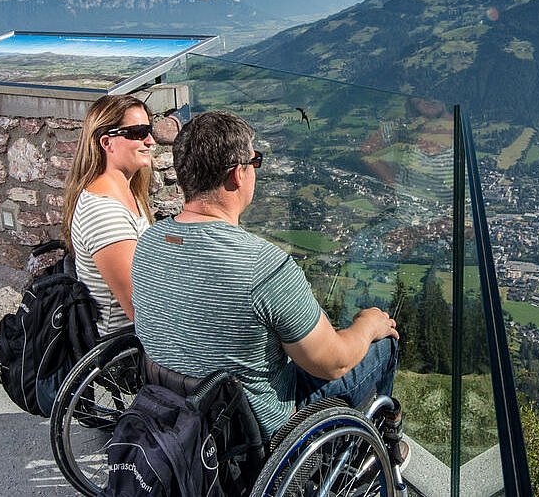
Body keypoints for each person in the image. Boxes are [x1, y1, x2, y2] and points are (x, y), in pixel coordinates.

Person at [130, 111, 400, 438]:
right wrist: (368, 325)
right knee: (383, 346)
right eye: (254, 161)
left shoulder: (149, 242)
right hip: (258, 437)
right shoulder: (263, 266)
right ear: (237, 175)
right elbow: (334, 363)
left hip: (181, 418)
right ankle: (374, 444)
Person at [62, 94, 157, 336]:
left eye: (149, 130)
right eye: (138, 132)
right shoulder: (104, 213)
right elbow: (140, 309)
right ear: (107, 142)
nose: (150, 141)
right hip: (125, 350)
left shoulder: (126, 192)